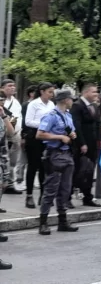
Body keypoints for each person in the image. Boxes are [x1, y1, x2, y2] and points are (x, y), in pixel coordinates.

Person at [36, 90, 78, 236]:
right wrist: (60, 137)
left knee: (65, 190)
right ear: (65, 100)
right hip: (54, 155)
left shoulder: (68, 115)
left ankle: (62, 221)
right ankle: (43, 223)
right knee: (50, 189)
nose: (73, 101)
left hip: (67, 155)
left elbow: (72, 132)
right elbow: (40, 134)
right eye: (71, 99)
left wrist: (72, 135)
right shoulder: (51, 116)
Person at [70, 83, 101, 207]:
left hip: (93, 145)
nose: (96, 94)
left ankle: (87, 197)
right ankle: (68, 197)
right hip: (81, 145)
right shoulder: (77, 106)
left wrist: (100, 140)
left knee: (89, 172)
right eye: (94, 92)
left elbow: (98, 124)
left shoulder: (94, 106)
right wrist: (82, 143)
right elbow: (76, 126)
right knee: (77, 171)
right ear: (86, 92)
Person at [24, 82, 56, 208]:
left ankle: (43, 195)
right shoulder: (34, 104)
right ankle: (29, 195)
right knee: (33, 166)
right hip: (34, 136)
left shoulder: (51, 104)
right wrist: (44, 125)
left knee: (45, 167)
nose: (51, 95)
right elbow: (28, 121)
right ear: (42, 91)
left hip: (47, 137)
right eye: (49, 92)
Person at [1, 80, 22, 195]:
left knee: (13, 161)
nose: (12, 88)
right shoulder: (2, 102)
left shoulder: (16, 102)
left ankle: (10, 183)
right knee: (4, 161)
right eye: (9, 86)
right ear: (2, 88)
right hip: (4, 135)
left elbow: (17, 117)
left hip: (14, 135)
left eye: (14, 86)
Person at [0, 92, 16, 244]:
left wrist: (4, 116)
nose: (1, 103)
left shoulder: (2, 116)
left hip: (2, 159)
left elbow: (11, 133)